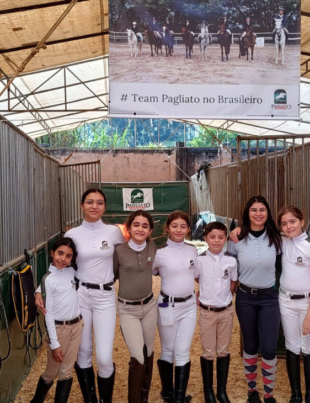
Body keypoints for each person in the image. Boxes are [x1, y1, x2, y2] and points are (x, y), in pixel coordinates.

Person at [35, 188, 124, 403]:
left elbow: (125, 261)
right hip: (80, 294)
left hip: (105, 296)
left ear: (105, 207)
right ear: (82, 205)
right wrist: (41, 288)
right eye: (90, 202)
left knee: (104, 358)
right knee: (83, 354)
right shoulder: (72, 234)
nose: (95, 206)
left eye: (100, 202)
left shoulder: (114, 232)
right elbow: (61, 265)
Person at [228, 195, 282, 403]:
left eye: (262, 210)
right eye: (254, 210)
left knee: (268, 347)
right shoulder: (237, 239)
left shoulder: (277, 239)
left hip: (269, 299)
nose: (258, 214)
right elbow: (228, 269)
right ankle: (252, 390)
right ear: (247, 213)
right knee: (250, 345)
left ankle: (269, 393)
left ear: (267, 213)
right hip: (245, 298)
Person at [152, 211, 198, 403]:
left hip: (189, 305)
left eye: (183, 226)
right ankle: (167, 391)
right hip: (167, 305)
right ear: (168, 228)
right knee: (168, 349)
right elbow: (150, 272)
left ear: (188, 229)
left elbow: (197, 274)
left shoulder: (192, 250)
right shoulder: (159, 252)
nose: (178, 230)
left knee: (183, 349)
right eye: (174, 226)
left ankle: (178, 397)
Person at [31, 238, 83, 403]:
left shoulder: (72, 271)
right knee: (51, 372)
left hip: (77, 326)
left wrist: (38, 291)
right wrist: (54, 344)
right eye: (60, 253)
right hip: (60, 330)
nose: (63, 259)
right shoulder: (48, 280)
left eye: (68, 256)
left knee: (66, 372)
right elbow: (49, 313)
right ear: (52, 253)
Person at [114, 210, 157, 403]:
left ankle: (144, 398)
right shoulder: (119, 250)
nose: (140, 229)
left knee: (148, 352)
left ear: (150, 230)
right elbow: (111, 275)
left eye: (145, 226)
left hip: (149, 306)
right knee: (137, 354)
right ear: (129, 227)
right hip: (127, 309)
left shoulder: (153, 246)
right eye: (136, 225)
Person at [195, 222, 237, 403]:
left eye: (221, 237)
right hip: (207, 313)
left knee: (223, 350)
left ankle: (222, 390)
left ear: (226, 239)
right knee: (208, 351)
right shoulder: (200, 260)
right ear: (205, 239)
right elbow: (197, 277)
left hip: (226, 311)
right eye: (212, 237)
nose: (216, 241)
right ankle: (208, 392)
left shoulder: (231, 261)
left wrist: (225, 297)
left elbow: (233, 282)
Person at [277, 206, 310, 403]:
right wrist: (238, 230)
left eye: (292, 221)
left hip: (307, 302)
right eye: (284, 223)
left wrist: (309, 316)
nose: (289, 226)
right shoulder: (282, 243)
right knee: (292, 346)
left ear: (302, 221)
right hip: (286, 301)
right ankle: (295, 393)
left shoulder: (308, 246)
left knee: (307, 346)